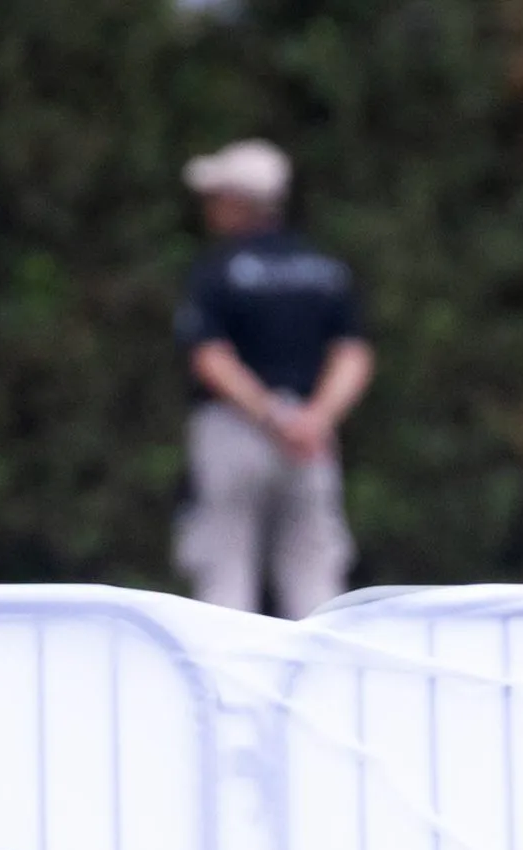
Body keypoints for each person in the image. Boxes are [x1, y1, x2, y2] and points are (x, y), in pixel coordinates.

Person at [172, 138, 371, 618]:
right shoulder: (324, 270)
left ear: (237, 203)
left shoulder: (219, 271)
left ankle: (222, 687)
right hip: (311, 439)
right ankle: (323, 684)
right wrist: (315, 419)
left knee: (224, 571)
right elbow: (352, 353)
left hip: (237, 430)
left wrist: (272, 416)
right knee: (314, 575)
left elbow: (211, 358)